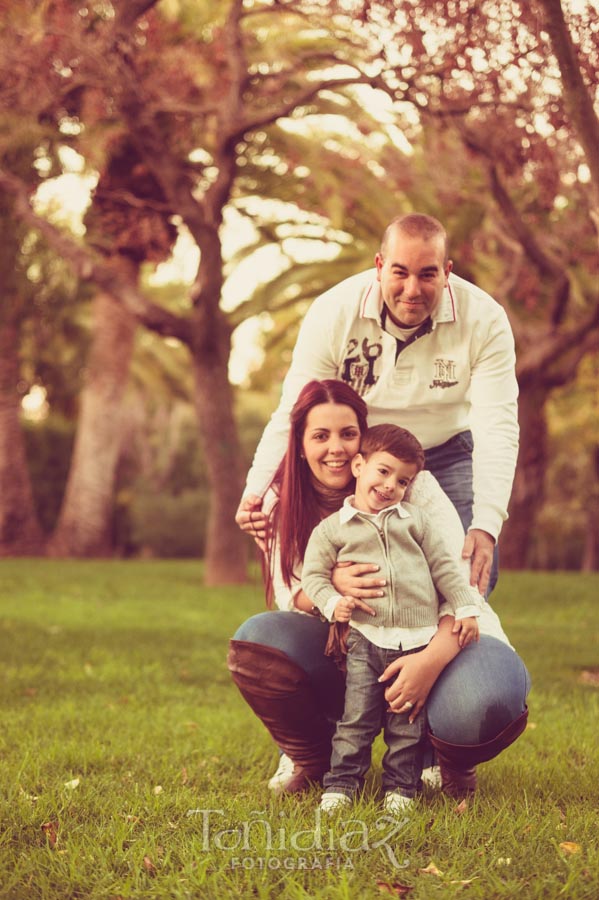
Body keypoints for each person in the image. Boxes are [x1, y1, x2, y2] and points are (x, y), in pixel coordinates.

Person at [228, 380, 530, 799]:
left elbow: (457, 581)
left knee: (485, 696)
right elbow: (289, 594)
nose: (336, 448)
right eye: (320, 435)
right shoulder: (282, 500)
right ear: (298, 444)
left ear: (363, 441)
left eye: (348, 434)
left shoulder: (411, 487)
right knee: (260, 639)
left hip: (435, 637)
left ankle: (445, 762)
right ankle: (312, 757)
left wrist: (429, 661)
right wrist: (330, 583)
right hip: (351, 648)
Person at [236, 212, 520, 597]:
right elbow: (296, 410)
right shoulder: (333, 311)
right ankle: (357, 650)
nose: (412, 289)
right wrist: (255, 492)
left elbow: (497, 425)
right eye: (400, 272)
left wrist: (486, 524)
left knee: (472, 568)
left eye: (427, 274)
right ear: (379, 266)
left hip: (448, 449)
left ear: (447, 272)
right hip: (365, 453)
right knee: (357, 564)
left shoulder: (484, 320)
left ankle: (446, 649)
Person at [301, 424, 483, 814]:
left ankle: (401, 788)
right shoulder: (333, 529)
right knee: (357, 719)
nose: (390, 486)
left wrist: (465, 606)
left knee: (407, 723)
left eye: (403, 480)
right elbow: (312, 577)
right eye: (383, 472)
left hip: (418, 637)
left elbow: (446, 569)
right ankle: (341, 785)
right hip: (366, 638)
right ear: (358, 465)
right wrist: (333, 603)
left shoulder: (415, 521)